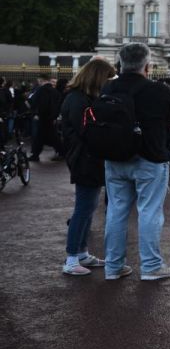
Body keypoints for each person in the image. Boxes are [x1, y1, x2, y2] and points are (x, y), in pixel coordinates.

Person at [102, 42, 170, 282]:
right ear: (147, 65)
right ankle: (151, 265)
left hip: (115, 156)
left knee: (115, 211)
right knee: (149, 212)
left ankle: (113, 266)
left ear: (121, 63)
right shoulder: (158, 89)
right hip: (150, 156)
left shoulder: (108, 86)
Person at [58, 58, 116, 276]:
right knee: (83, 208)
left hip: (88, 157)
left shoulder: (80, 98)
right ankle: (72, 256)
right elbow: (87, 130)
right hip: (84, 157)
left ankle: (80, 252)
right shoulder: (77, 100)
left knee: (89, 207)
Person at [28, 73, 64, 162]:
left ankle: (35, 155)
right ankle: (62, 152)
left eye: (39, 81)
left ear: (41, 80)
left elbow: (32, 102)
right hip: (51, 118)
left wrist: (35, 112)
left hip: (42, 117)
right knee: (51, 137)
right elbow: (58, 105)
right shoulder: (55, 92)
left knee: (41, 137)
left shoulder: (40, 90)